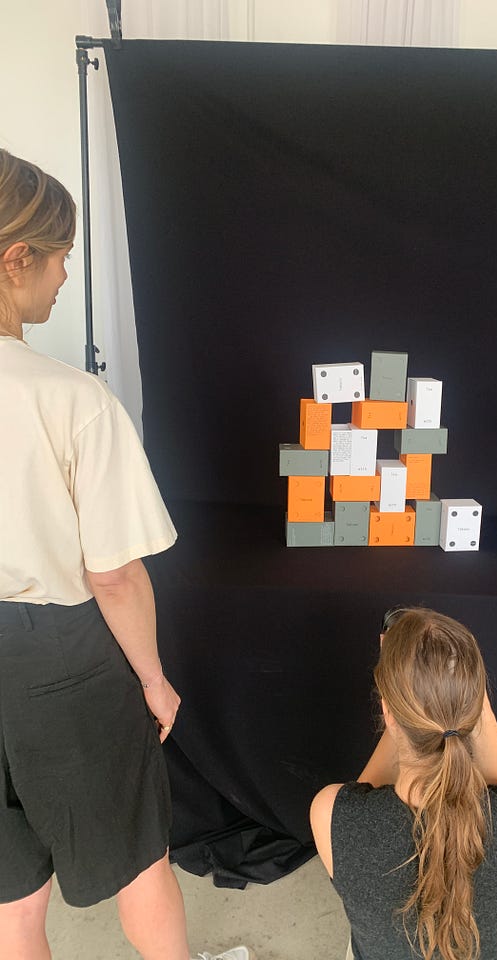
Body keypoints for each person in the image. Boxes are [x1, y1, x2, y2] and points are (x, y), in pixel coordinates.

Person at [0, 148, 252, 960]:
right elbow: (112, 572)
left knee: (6, 889)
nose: (65, 278)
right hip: (58, 657)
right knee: (137, 849)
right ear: (17, 260)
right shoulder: (72, 401)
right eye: (63, 259)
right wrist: (151, 676)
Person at [310, 607, 497, 960]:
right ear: (477, 707)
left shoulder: (330, 814)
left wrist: (403, 695)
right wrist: (455, 695)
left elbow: (359, 799)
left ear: (388, 712)